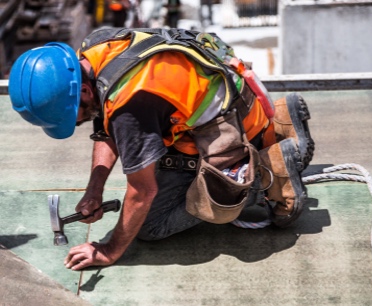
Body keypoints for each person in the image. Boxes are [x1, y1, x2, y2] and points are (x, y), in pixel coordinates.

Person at [8, 28, 314, 271]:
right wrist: (94, 189)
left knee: (153, 225)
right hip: (234, 103)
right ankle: (282, 121)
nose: (74, 124)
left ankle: (269, 173)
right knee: (145, 159)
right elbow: (106, 123)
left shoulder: (132, 104)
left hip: (231, 132)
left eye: (70, 117)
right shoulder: (94, 49)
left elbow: (142, 191)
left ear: (84, 90)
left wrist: (109, 250)